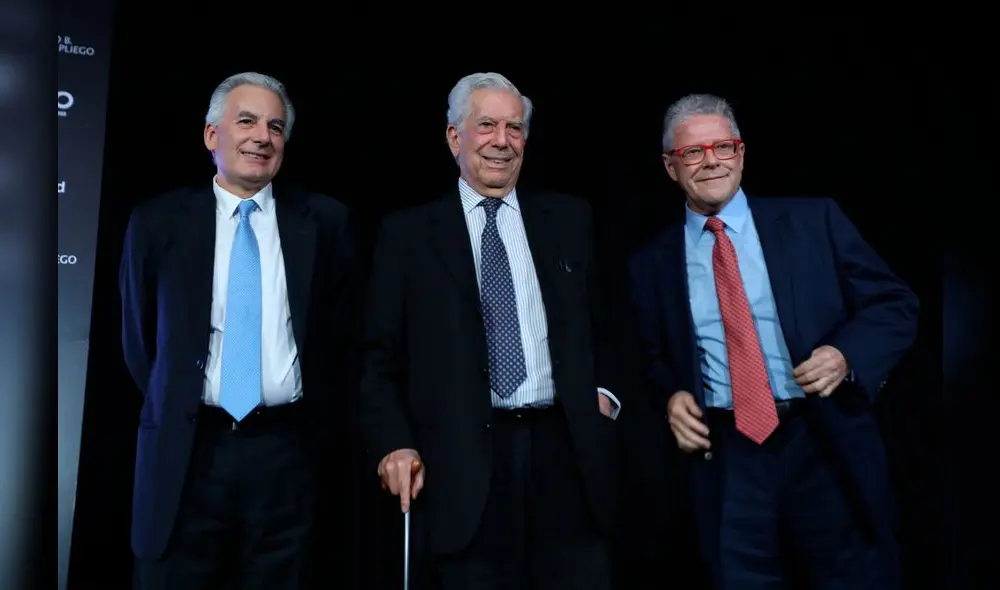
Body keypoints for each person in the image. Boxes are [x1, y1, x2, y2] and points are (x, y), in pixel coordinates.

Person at [627, 93, 919, 589]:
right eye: (693, 153)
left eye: (724, 146)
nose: (712, 160)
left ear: (741, 153)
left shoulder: (814, 221)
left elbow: (895, 304)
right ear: (670, 166)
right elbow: (649, 358)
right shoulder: (650, 263)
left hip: (823, 441)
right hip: (728, 457)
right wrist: (670, 396)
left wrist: (845, 353)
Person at [360, 72, 620, 590]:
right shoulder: (407, 236)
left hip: (565, 456)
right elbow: (376, 357)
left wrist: (605, 398)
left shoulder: (571, 219)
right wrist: (395, 443)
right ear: (455, 137)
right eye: (486, 126)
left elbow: (611, 324)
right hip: (460, 463)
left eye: (514, 128)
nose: (502, 141)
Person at [120, 72, 358, 590]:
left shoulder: (325, 222)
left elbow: (340, 339)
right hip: (187, 452)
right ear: (212, 135)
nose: (262, 136)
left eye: (275, 126)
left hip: (286, 454)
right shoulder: (158, 222)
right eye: (246, 121)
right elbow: (141, 345)